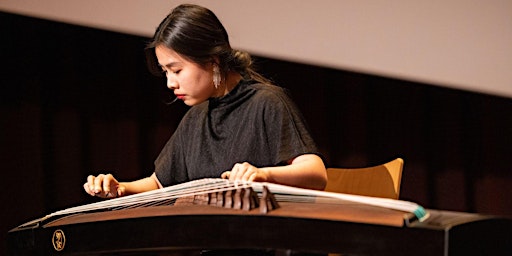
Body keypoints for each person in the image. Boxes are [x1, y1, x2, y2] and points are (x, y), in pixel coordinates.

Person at [83, 3, 326, 199]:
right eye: (165, 72)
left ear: (213, 61)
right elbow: (160, 182)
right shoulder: (197, 116)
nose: (170, 83)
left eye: (176, 70)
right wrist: (119, 188)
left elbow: (316, 173)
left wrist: (263, 175)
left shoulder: (266, 102)